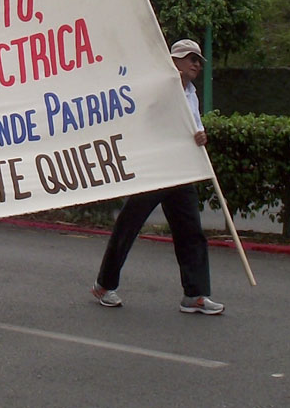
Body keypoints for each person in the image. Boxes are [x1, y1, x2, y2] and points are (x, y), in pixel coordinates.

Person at [92, 39, 223, 315]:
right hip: (154, 168)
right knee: (129, 224)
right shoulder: (158, 87)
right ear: (173, 61)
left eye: (198, 59)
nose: (196, 63)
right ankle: (104, 285)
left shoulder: (191, 93)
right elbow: (142, 118)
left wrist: (200, 135)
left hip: (180, 169)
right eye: (190, 58)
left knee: (191, 231)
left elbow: (194, 127)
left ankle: (195, 294)